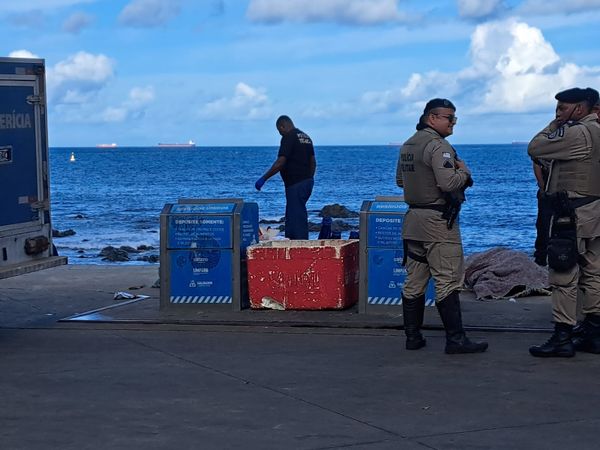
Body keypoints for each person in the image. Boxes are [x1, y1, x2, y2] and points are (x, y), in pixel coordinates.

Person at [396, 98, 488, 354]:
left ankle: (412, 337)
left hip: (413, 220)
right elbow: (448, 183)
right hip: (437, 221)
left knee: (414, 280)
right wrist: (465, 173)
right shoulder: (439, 147)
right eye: (449, 118)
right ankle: (456, 340)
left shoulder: (407, 146)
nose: (453, 123)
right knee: (447, 280)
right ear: (432, 118)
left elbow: (400, 182)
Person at [528, 87, 600, 358]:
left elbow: (535, 147)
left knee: (563, 274)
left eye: (562, 108)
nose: (558, 113)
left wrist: (554, 124)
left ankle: (562, 336)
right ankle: (593, 334)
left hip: (572, 214)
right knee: (594, 272)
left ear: (579, 109)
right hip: (594, 211)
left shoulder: (577, 132)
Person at [255, 115, 316, 239]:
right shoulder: (306, 137)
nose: (280, 134)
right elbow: (313, 161)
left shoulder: (289, 137)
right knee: (297, 213)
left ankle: (297, 245)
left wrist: (264, 178)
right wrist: (310, 179)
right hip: (307, 182)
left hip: (295, 183)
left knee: (295, 217)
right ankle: (295, 241)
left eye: (279, 131)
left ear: (282, 126)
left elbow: (280, 162)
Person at [532, 157, 552, 266]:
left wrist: (541, 184)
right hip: (547, 191)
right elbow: (536, 162)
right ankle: (541, 258)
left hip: (548, 190)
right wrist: (542, 184)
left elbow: (536, 163)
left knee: (543, 226)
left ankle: (541, 258)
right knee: (543, 226)